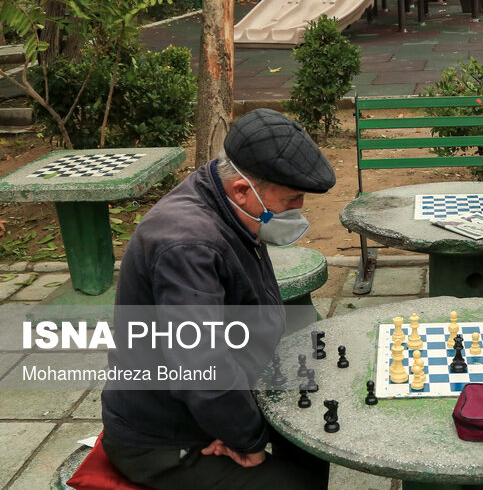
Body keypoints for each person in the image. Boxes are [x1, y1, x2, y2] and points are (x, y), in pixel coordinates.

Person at [101, 109, 336, 490]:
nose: (298, 210)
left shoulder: (223, 198)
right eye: (291, 199)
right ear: (243, 189)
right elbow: (203, 368)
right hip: (164, 438)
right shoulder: (186, 245)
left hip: (209, 402)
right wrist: (248, 439)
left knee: (313, 439)